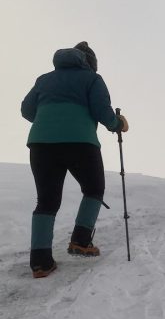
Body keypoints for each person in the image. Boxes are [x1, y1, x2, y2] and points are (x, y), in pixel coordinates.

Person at [21, 41, 129, 278]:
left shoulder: (44, 79)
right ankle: (80, 240)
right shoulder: (92, 79)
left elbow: (27, 110)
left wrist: (49, 121)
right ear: (90, 63)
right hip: (80, 142)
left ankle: (40, 262)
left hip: (41, 143)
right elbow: (102, 110)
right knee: (93, 188)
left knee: (47, 201)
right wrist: (117, 124)